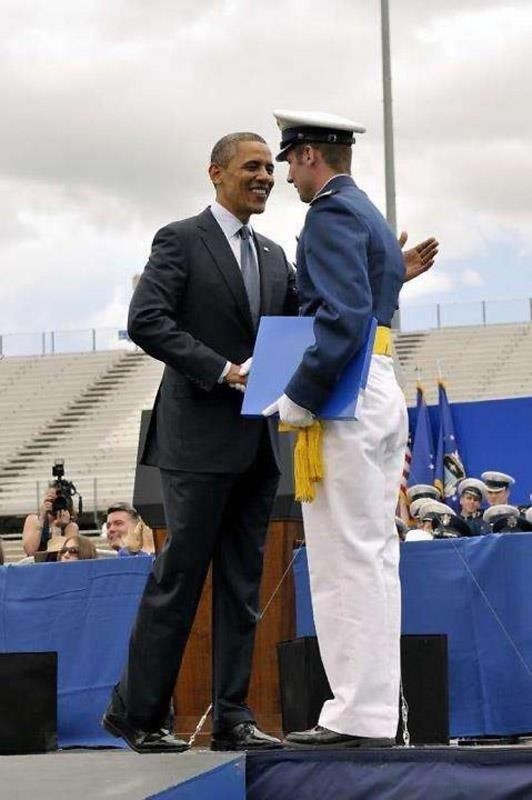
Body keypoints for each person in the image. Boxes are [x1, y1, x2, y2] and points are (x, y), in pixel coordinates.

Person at [102, 132, 298, 754]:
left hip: (257, 443)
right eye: (252, 167)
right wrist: (220, 368)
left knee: (243, 583)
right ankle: (138, 714)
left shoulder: (273, 255)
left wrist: (385, 283)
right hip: (195, 440)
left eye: (271, 167)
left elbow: (299, 325)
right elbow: (146, 320)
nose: (265, 176)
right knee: (180, 578)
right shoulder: (180, 240)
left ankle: (233, 715)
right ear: (216, 174)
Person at [266, 109, 437, 749]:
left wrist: (301, 396)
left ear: (309, 155)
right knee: (370, 557)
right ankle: (370, 712)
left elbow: (340, 318)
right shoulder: (363, 212)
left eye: (288, 162)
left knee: (345, 560)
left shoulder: (331, 214)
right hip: (376, 379)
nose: (286, 177)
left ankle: (356, 717)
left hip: (348, 388)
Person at [22, 483, 79, 556]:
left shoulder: (70, 526)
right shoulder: (33, 520)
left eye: (54, 501)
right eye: (48, 500)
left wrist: (57, 527)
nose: (51, 504)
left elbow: (62, 556)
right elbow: (30, 551)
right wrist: (41, 520)